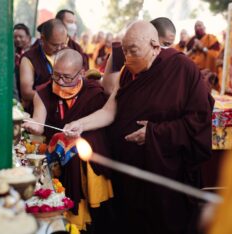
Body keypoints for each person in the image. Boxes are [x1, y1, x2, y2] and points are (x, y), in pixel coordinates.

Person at [64, 20, 214, 233]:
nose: (127, 58)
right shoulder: (127, 72)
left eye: (133, 51)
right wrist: (80, 124)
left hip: (164, 171)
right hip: (129, 167)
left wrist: (155, 133)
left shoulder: (182, 69)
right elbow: (109, 111)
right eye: (124, 51)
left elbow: (199, 120)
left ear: (155, 46)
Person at [22, 48, 113, 232]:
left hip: (89, 162)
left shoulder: (95, 91)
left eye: (67, 77)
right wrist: (32, 125)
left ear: (81, 73)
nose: (60, 82)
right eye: (56, 75)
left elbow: (105, 118)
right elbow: (38, 123)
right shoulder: (43, 93)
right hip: (60, 163)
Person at [20, 19, 67, 112]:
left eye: (62, 44)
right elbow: (26, 93)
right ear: (42, 38)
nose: (59, 48)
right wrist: (57, 97)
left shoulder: (66, 53)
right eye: (54, 45)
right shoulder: (29, 58)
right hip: (38, 111)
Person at [14, 23, 32, 99]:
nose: (17, 39)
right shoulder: (12, 53)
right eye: (15, 37)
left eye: (21, 37)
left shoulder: (33, 54)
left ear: (28, 38)